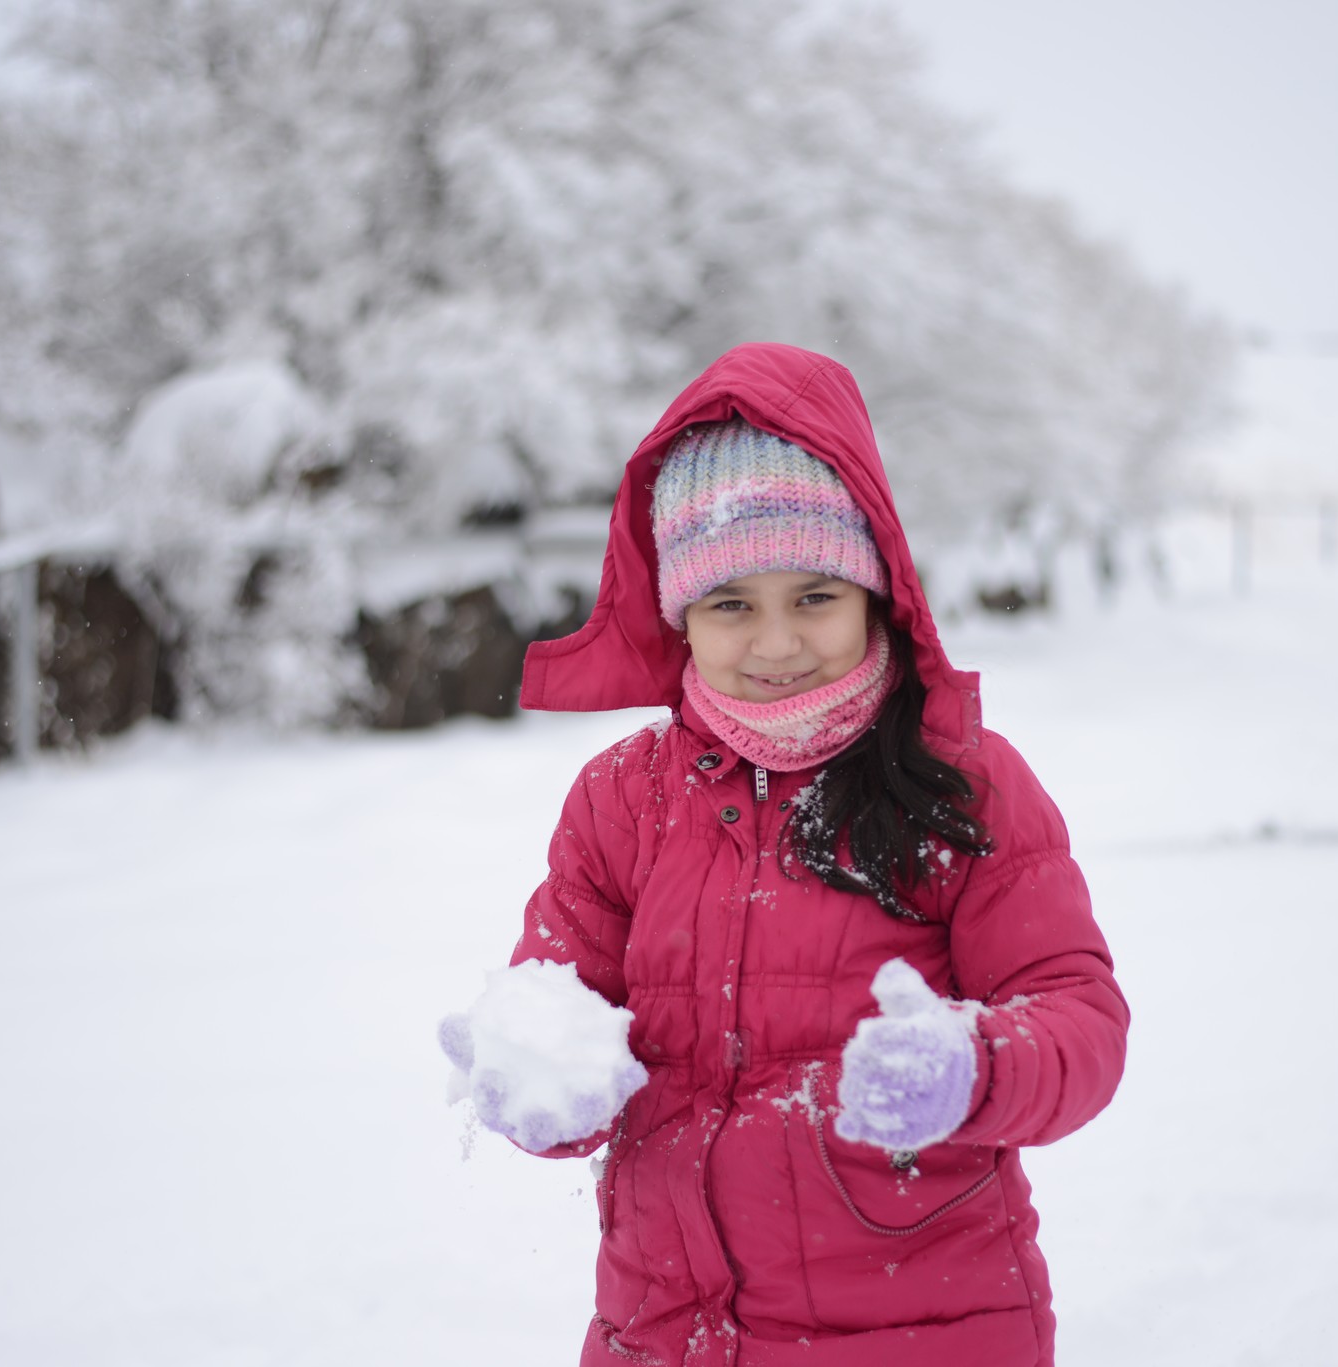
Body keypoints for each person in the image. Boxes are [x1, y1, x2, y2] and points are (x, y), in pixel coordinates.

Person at [441, 343, 1129, 1365]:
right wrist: (540, 1077)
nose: (774, 643)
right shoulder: (621, 799)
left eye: (814, 595)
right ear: (681, 613)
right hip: (660, 1333)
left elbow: (1079, 1017)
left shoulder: (961, 784)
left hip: (916, 1332)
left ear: (874, 592)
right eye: (730, 605)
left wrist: (972, 1065)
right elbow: (558, 1003)